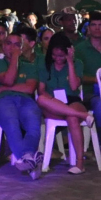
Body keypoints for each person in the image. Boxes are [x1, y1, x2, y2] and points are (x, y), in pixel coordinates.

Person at [0, 28, 43, 179]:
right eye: (9, 44)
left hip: (25, 100)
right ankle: (30, 161)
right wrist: (15, 59)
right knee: (12, 124)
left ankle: (27, 160)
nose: (13, 48)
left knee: (33, 124)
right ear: (4, 46)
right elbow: (9, 79)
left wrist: (1, 88)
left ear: (23, 47)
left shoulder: (30, 65)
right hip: (2, 101)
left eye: (17, 45)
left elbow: (30, 88)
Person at [37, 33, 90, 173]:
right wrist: (54, 101)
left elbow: (74, 87)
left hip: (72, 100)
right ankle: (83, 115)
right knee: (40, 99)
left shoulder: (78, 63)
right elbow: (41, 90)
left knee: (72, 118)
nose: (57, 59)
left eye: (61, 56)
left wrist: (70, 62)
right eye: (54, 55)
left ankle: (79, 163)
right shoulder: (44, 64)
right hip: (52, 102)